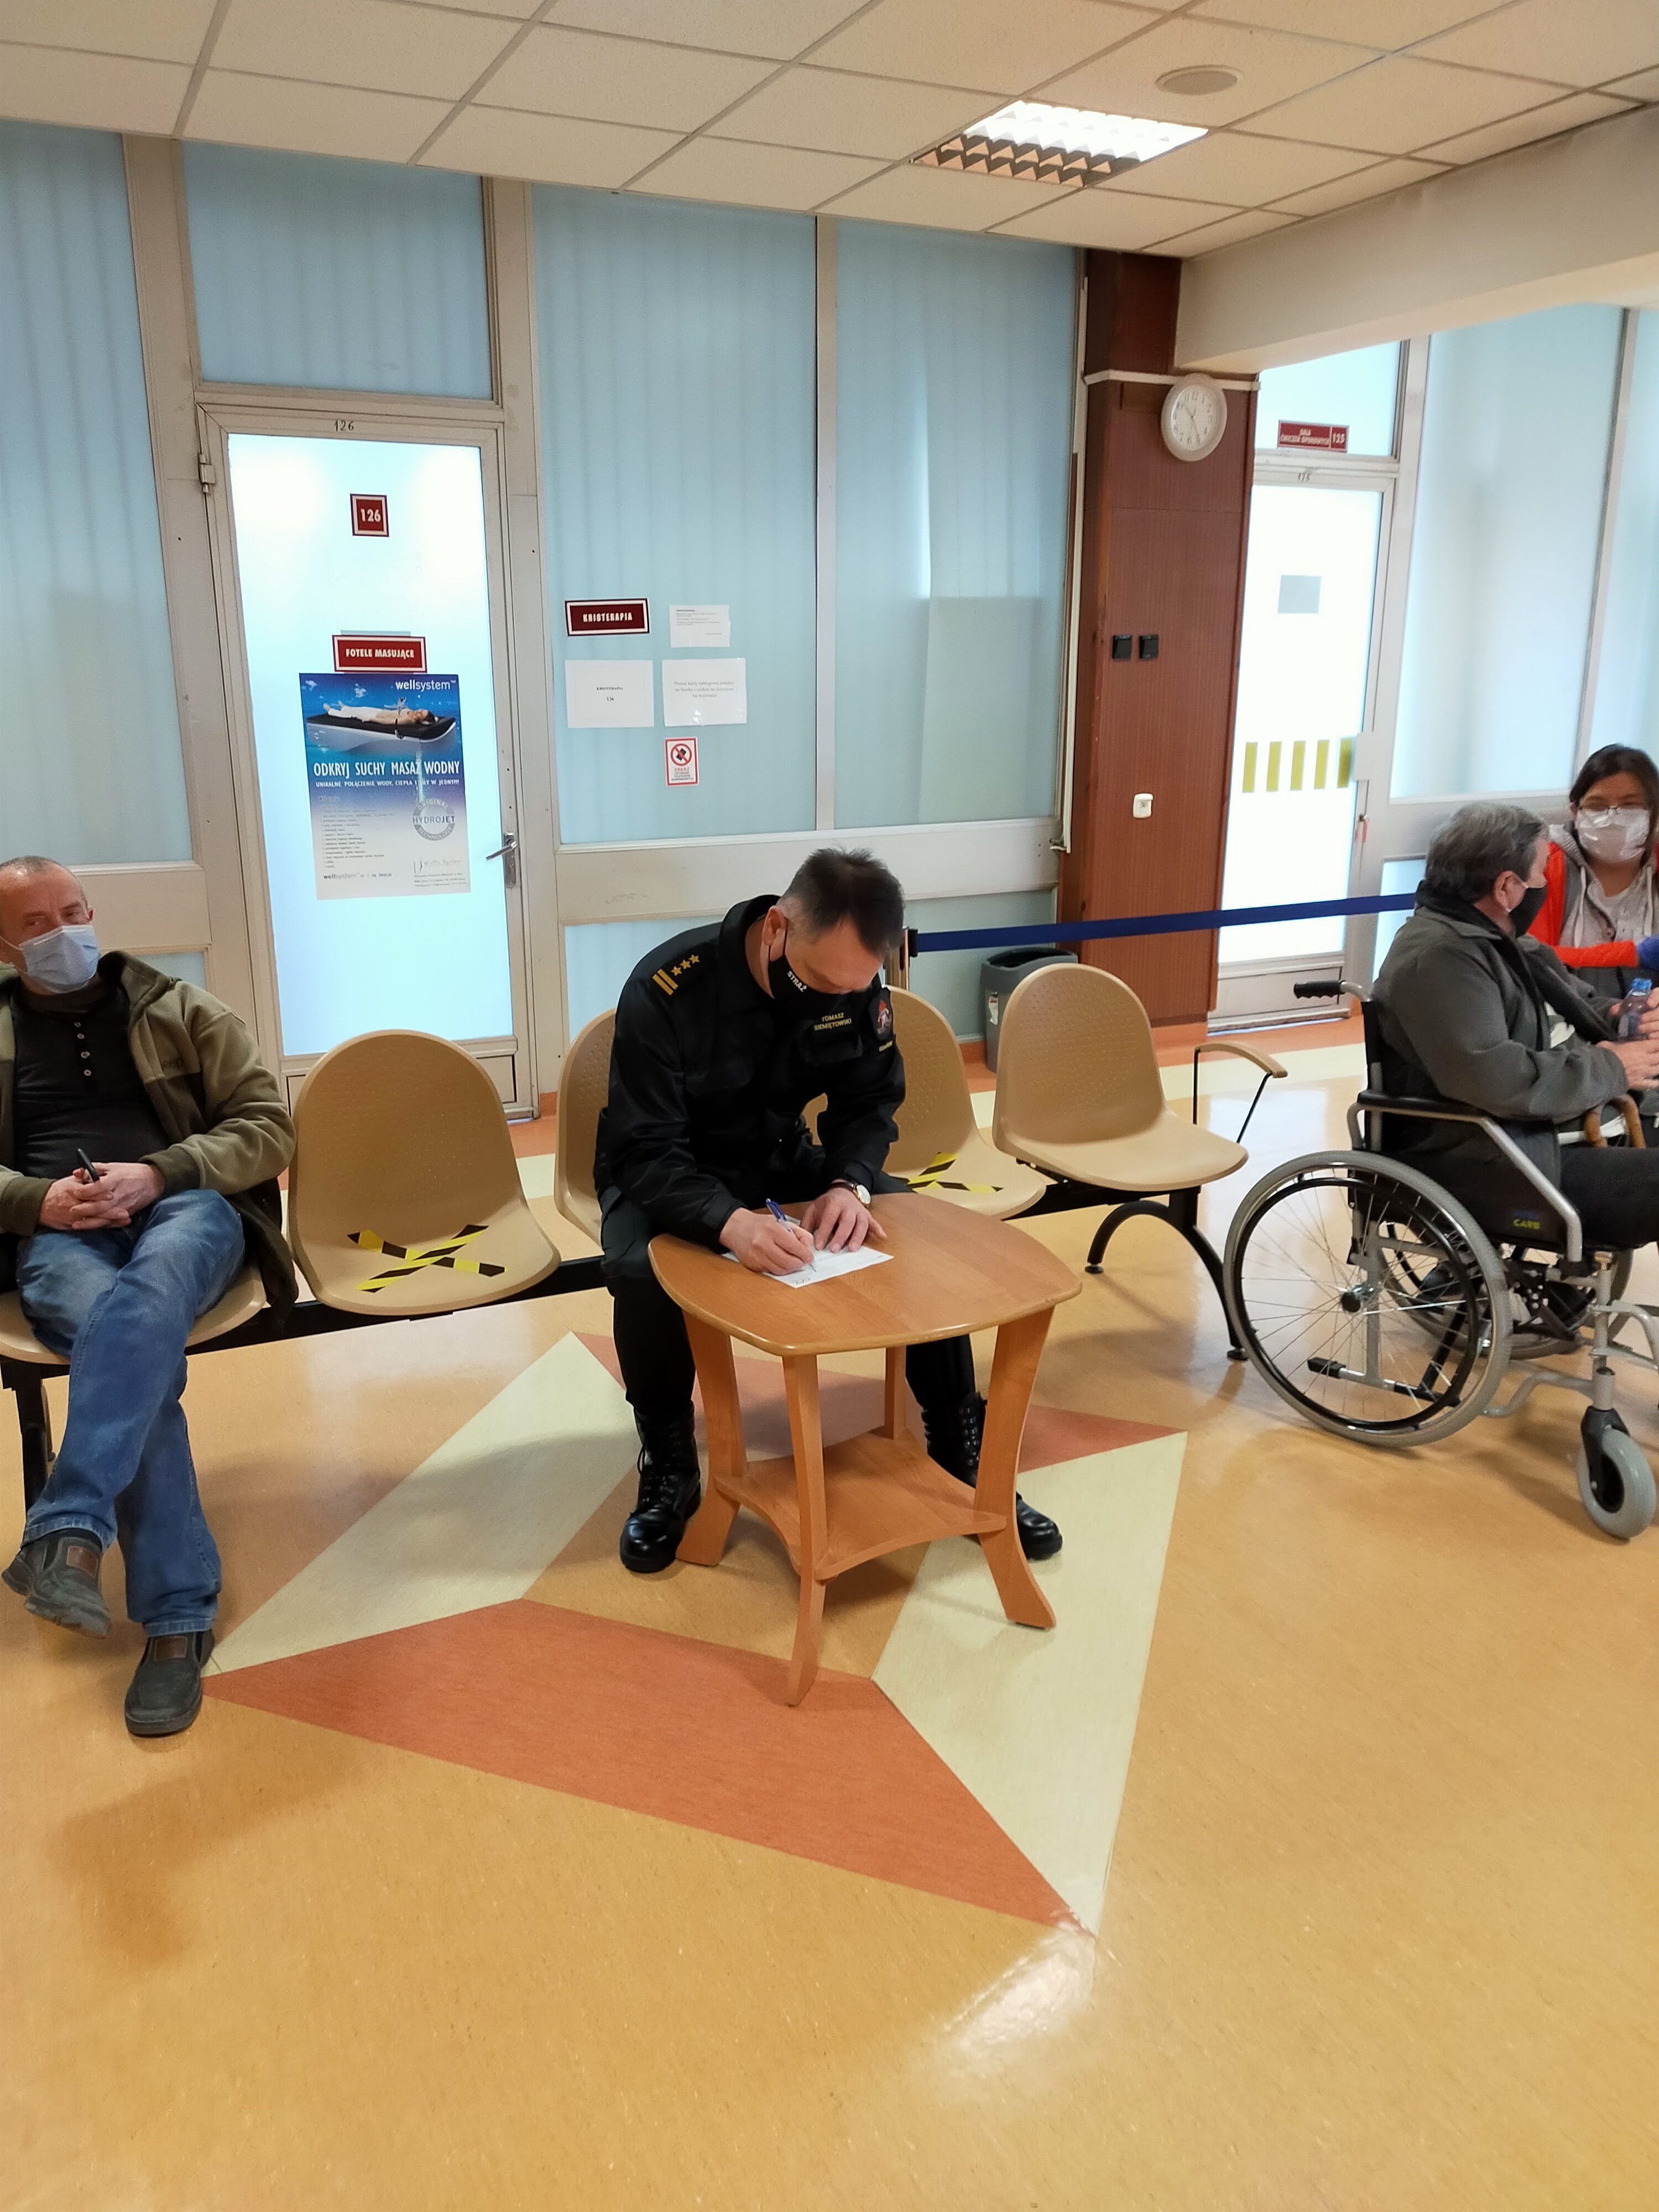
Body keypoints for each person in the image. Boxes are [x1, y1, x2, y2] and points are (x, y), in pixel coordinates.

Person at [594, 847, 1062, 1574]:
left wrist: (849, 1183)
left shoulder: (856, 987)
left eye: (853, 985)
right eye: (817, 982)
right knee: (638, 1270)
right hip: (665, 1168)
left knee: (909, 1228)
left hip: (777, 1156)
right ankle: (669, 1462)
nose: (831, 1000)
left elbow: (869, 1100)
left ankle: (958, 1445)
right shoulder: (668, 989)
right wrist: (728, 1222)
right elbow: (645, 1148)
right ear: (777, 929)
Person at [0, 856, 295, 1736]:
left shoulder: (180, 1009)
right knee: (134, 1354)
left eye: (73, 911)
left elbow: (269, 1127)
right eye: (37, 923)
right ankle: (175, 1618)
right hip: (59, 1235)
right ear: (6, 945)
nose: (64, 932)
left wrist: (160, 1171)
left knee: (146, 1300)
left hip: (186, 1210)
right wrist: (38, 1200)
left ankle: (71, 1527)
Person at [1373, 803, 1659, 1255]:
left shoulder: (1500, 938)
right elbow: (1498, 1079)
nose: (1544, 883)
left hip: (1565, 1123)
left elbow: (1574, 999)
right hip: (1512, 1157)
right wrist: (1612, 1066)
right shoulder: (1439, 961)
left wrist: (1620, 1013)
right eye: (1540, 872)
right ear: (1507, 887)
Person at [1529, 744, 1659, 999]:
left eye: (1630, 805)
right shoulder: (1544, 865)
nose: (1613, 818)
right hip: (1564, 1014)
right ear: (1575, 812)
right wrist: (1636, 956)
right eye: (1597, 806)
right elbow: (1530, 957)